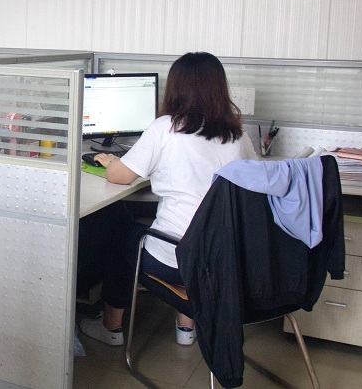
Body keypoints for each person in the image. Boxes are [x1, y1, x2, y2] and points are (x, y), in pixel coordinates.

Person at [79, 52, 257, 347]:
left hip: (177, 261)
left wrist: (110, 161)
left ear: (176, 88)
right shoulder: (238, 135)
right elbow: (254, 184)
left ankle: (111, 327)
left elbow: (120, 177)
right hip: (224, 259)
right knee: (190, 229)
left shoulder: (166, 128)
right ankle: (186, 327)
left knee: (120, 236)